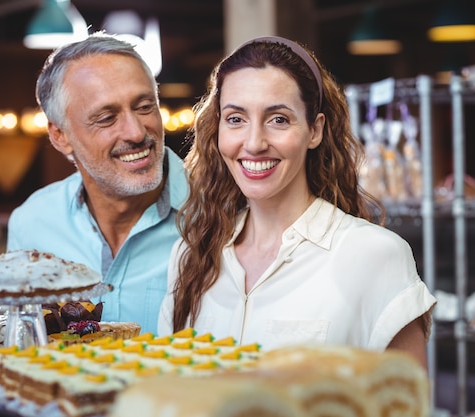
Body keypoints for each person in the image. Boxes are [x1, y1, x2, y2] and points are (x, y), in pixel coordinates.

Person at [157, 36, 436, 368]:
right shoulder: (189, 256)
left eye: (278, 119)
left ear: (314, 130)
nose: (254, 143)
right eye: (235, 119)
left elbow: (407, 405)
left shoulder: (374, 255)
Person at [7, 33, 188, 334]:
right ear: (60, 136)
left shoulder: (221, 211)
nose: (135, 132)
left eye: (145, 107)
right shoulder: (32, 224)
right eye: (106, 118)